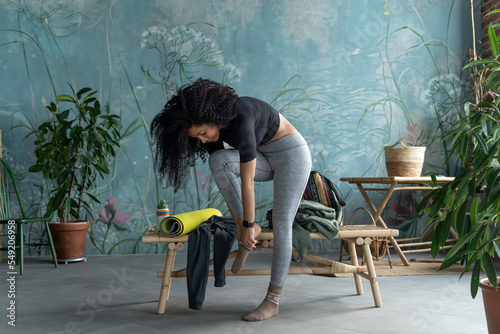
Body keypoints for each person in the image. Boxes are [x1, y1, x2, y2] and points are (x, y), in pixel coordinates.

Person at [150, 78, 312, 321]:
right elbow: (223, 169)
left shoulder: (242, 119)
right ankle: (243, 226)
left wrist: (249, 224)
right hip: (265, 157)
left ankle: (272, 300)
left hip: (292, 156)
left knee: (281, 224)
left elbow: (246, 182)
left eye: (203, 133)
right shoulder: (212, 133)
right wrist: (243, 223)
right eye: (198, 137)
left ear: (213, 117)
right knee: (217, 161)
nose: (203, 139)